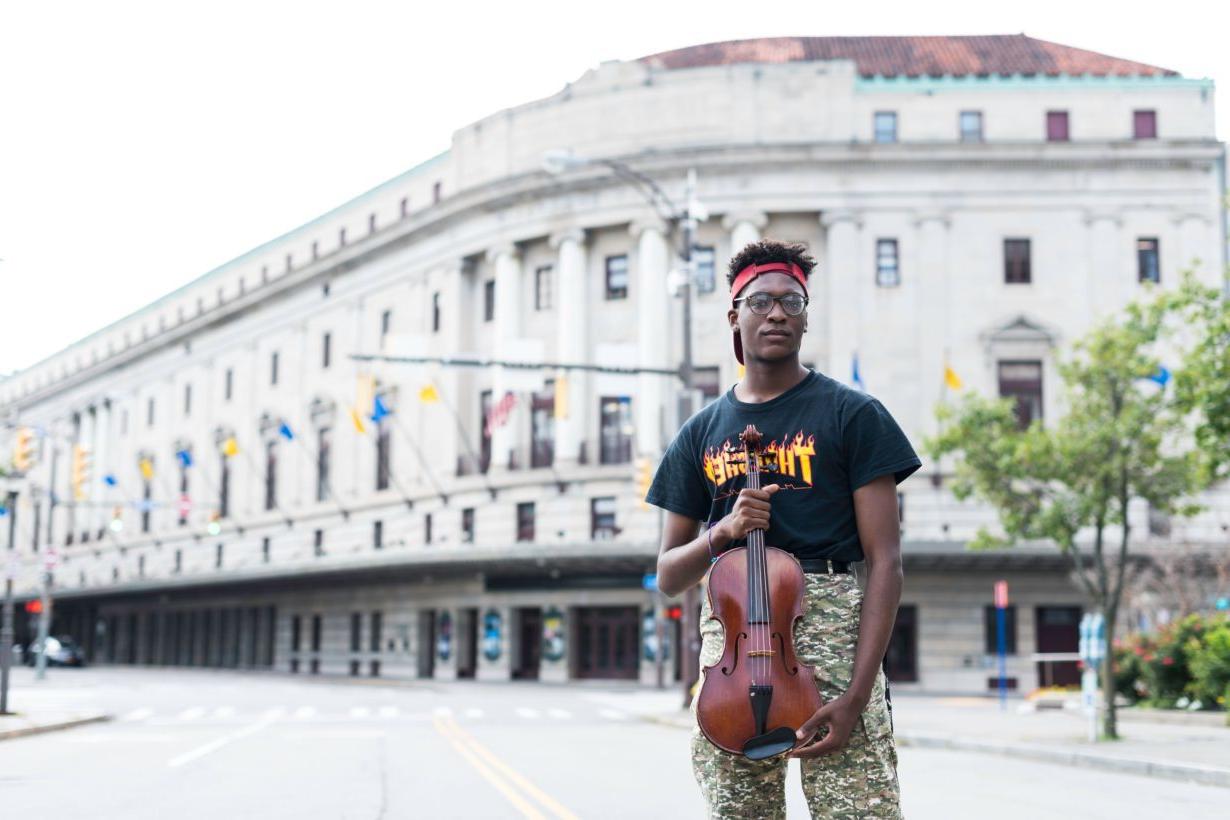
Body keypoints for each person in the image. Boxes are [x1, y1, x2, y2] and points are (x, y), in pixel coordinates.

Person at [646, 239, 920, 818]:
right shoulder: (700, 432)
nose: (777, 314)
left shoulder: (853, 414)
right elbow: (669, 574)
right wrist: (722, 533)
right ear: (734, 315)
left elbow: (886, 561)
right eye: (761, 301)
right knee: (739, 812)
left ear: (804, 315)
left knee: (858, 812)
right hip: (734, 651)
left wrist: (857, 695)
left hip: (831, 636)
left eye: (792, 302)